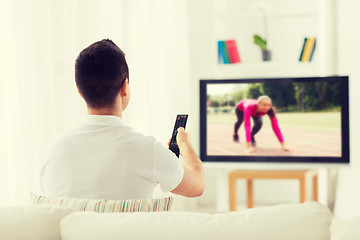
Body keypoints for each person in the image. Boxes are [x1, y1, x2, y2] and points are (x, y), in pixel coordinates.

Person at [39, 39, 204, 200]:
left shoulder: (51, 153)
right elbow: (197, 186)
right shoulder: (149, 150)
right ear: (124, 87)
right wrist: (185, 145)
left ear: (80, 91)